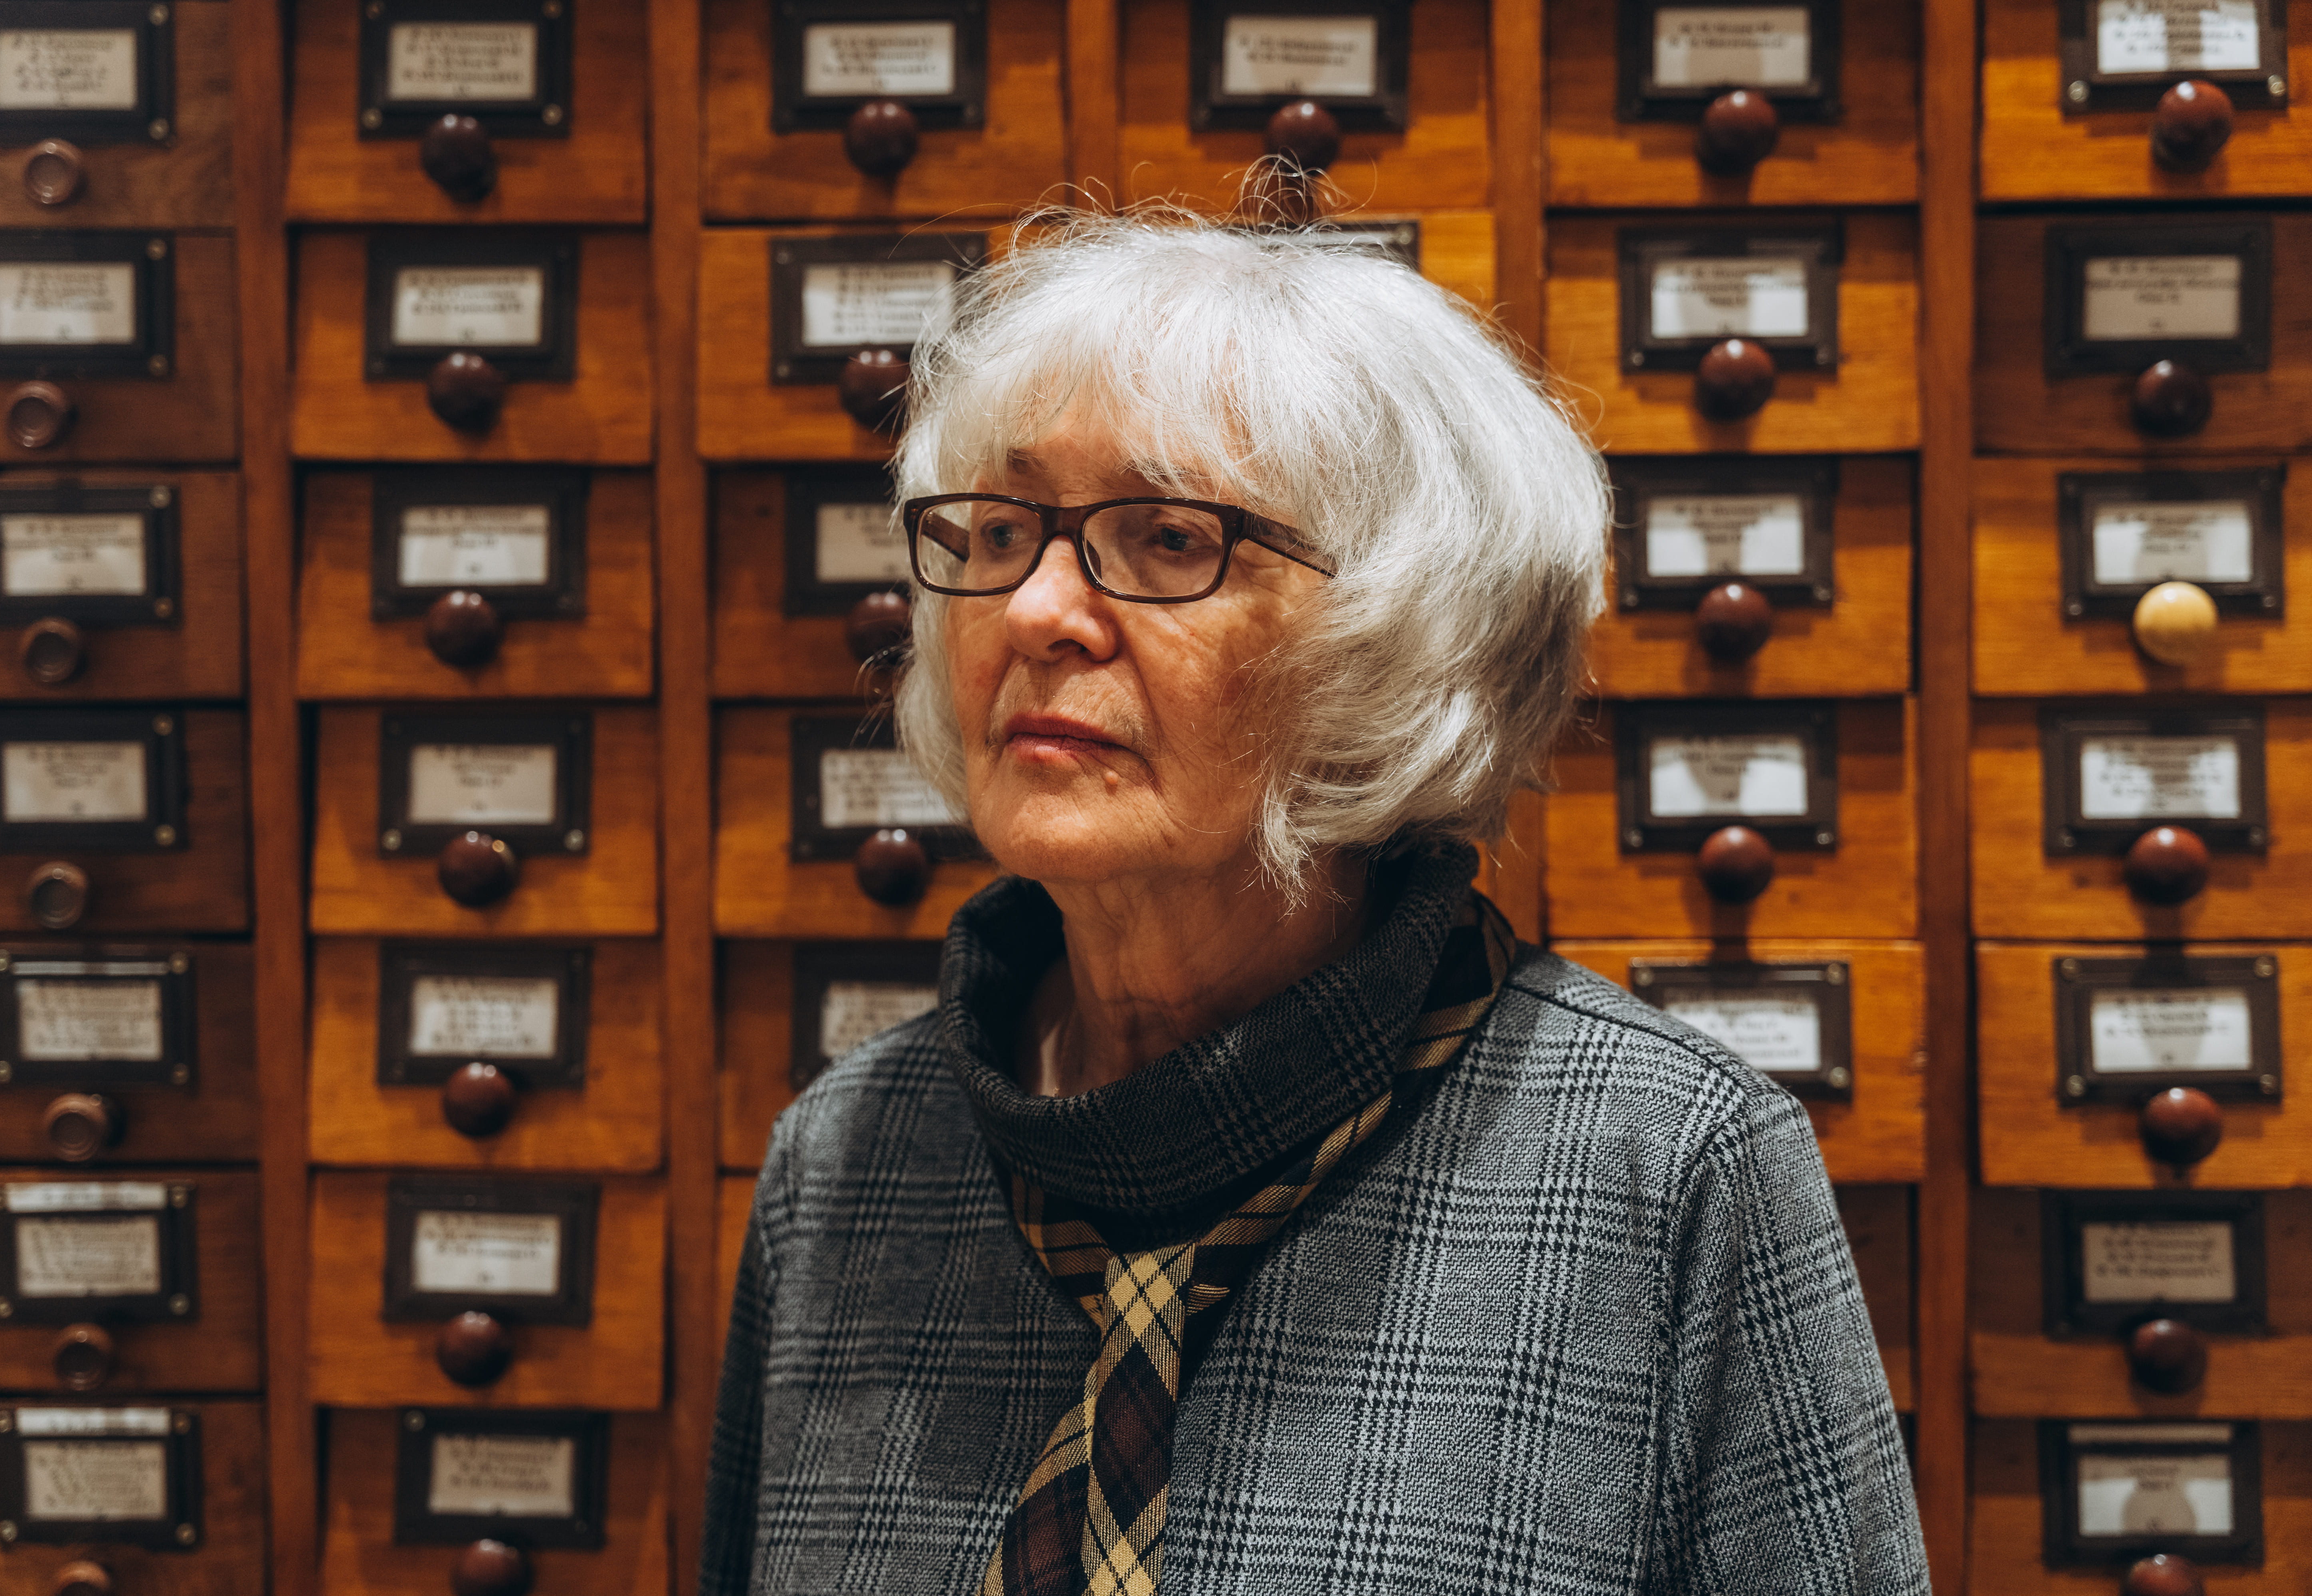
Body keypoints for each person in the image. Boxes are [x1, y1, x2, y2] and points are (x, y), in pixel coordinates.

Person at [702, 209, 1928, 1596]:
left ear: (1401, 640)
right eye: (998, 529)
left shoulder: (1667, 1169)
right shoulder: (849, 1160)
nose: (1039, 610)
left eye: (1168, 538)